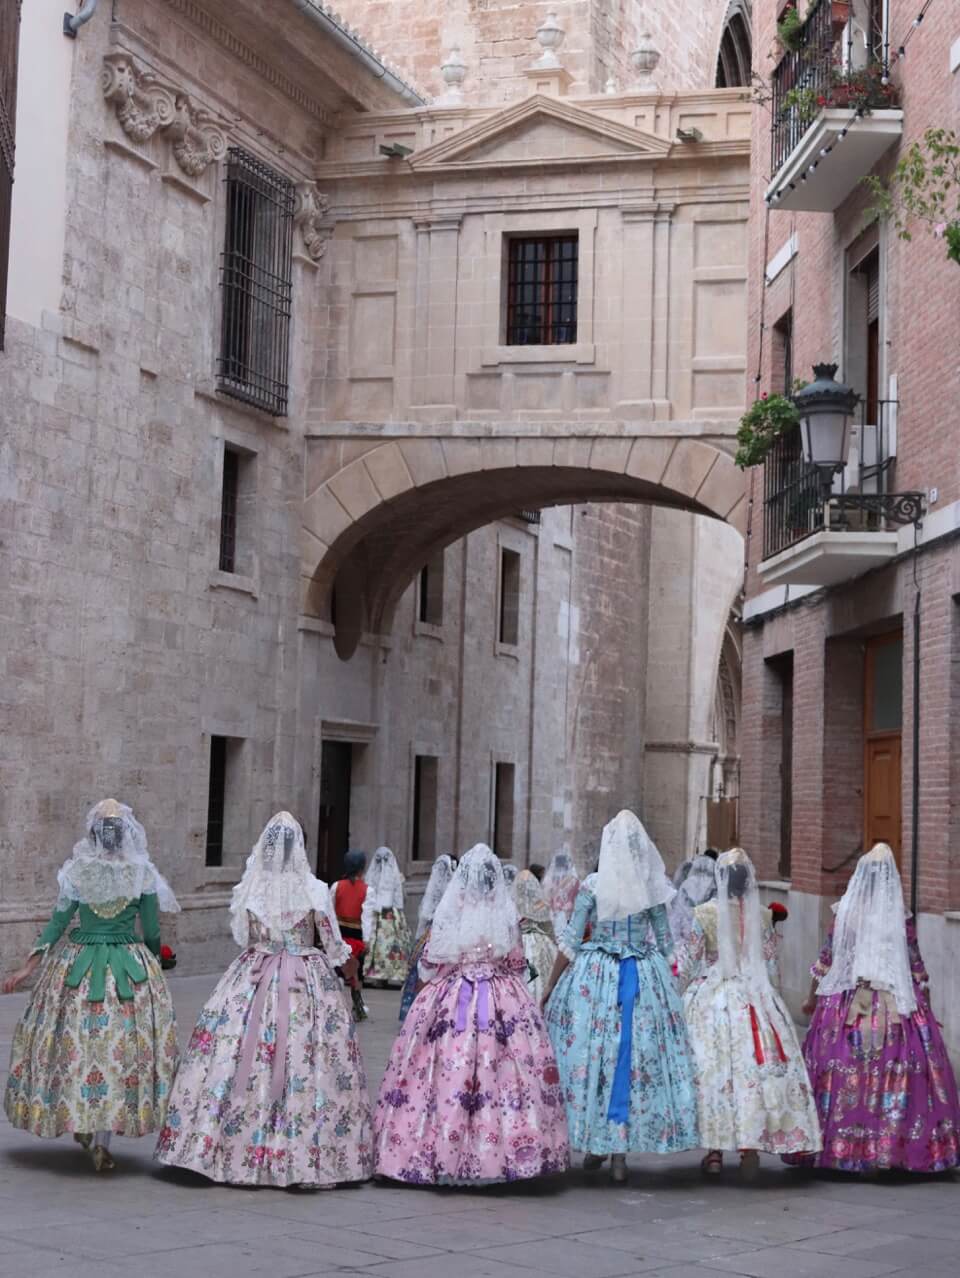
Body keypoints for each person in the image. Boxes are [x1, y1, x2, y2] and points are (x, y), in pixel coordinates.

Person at [155, 812, 372, 1187]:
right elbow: (334, 945)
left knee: (239, 1054)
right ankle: (307, 1153)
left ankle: (224, 1144)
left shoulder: (252, 887)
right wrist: (350, 971)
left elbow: (244, 937)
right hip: (305, 979)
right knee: (305, 1058)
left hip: (254, 975)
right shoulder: (315, 889)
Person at [374, 844, 569, 1185]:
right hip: (501, 998)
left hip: (452, 996)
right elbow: (516, 962)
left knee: (440, 1071)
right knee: (509, 1074)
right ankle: (504, 1153)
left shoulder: (452, 913)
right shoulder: (505, 915)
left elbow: (433, 961)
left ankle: (435, 1149)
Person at [4, 799, 179, 1172]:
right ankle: (100, 1139)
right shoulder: (141, 873)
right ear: (126, 836)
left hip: (77, 969)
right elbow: (151, 931)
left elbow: (57, 925)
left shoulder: (78, 872)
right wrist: (154, 967)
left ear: (94, 836)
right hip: (128, 971)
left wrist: (28, 967)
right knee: (117, 1053)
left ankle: (86, 1126)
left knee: (80, 1047)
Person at [542, 810, 699, 1182]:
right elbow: (665, 946)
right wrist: (673, 991)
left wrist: (549, 987)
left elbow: (569, 943)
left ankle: (598, 1144)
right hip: (642, 979)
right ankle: (617, 1154)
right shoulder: (651, 888)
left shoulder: (594, 886)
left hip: (593, 981)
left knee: (594, 1061)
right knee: (630, 1063)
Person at [787, 843, 960, 1174]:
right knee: (903, 1074)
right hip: (898, 1007)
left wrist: (811, 999)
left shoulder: (846, 916)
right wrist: (927, 1009)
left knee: (841, 1069)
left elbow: (825, 962)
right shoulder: (900, 920)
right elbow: (917, 970)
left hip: (849, 1005)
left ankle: (845, 1147)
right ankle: (889, 1150)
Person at [677, 848, 821, 1179]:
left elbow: (687, 961)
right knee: (754, 1074)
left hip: (714, 999)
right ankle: (750, 1151)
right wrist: (772, 1002)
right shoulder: (762, 916)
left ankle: (714, 1153)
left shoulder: (705, 914)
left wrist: (677, 991)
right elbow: (770, 965)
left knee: (716, 1073)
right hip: (756, 999)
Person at [398, 853, 457, 1023]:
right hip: (440, 936)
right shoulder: (455, 889)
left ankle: (417, 1011)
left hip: (431, 935)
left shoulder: (442, 891)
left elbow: (425, 914)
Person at [362, 846, 410, 988]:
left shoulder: (370, 876)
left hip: (381, 915)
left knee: (381, 945)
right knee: (387, 945)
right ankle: (384, 975)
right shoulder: (398, 877)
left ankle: (379, 976)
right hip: (389, 915)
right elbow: (403, 897)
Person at [332, 849, 369, 1020]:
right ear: (362, 868)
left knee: (338, 970)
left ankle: (335, 1004)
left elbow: (330, 911)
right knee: (356, 972)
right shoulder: (368, 890)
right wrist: (367, 940)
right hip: (357, 935)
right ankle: (357, 1005)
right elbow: (367, 917)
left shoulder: (337, 886)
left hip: (339, 934)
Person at [513, 869, 558, 1006]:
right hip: (540, 943)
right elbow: (549, 928)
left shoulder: (512, 905)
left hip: (520, 943)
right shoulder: (542, 905)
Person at [669, 851, 720, 952]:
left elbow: (678, 911)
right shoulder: (714, 884)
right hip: (707, 937)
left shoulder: (686, 884)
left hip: (685, 936)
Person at [542, 849, 580, 941]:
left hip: (553, 914)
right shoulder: (574, 880)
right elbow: (578, 896)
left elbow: (546, 897)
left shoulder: (549, 880)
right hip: (570, 915)